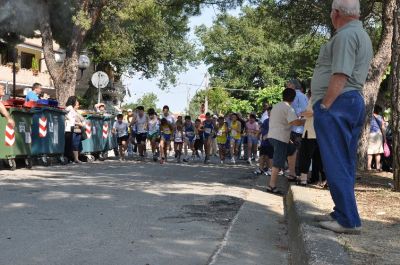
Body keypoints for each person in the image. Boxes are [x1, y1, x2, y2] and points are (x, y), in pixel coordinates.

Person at [311, 0, 373, 234]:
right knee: (344, 162)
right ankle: (344, 212)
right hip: (350, 101)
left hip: (338, 103)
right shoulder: (361, 34)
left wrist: (325, 106)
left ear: (336, 13)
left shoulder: (346, 36)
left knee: (335, 161)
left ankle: (347, 219)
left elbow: (340, 73)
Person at [266, 88, 305, 194]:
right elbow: (295, 123)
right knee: (278, 162)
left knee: (292, 150)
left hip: (273, 136)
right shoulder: (289, 108)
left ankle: (292, 174)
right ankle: (271, 186)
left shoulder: (276, 106)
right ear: (293, 98)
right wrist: (306, 120)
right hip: (280, 138)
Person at [287, 79, 308, 176]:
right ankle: (294, 172)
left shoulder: (297, 96)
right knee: (295, 151)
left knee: (295, 151)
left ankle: (296, 172)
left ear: (293, 86)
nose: (286, 87)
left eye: (288, 85)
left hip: (297, 128)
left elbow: (302, 112)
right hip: (297, 127)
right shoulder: (302, 96)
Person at [65, 96, 84, 163]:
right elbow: (65, 113)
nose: (77, 102)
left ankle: (75, 158)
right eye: (76, 100)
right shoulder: (69, 107)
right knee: (71, 143)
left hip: (72, 127)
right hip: (70, 127)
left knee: (74, 144)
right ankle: (70, 158)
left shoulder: (73, 109)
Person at [254, 109, 274, 175]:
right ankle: (260, 169)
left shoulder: (275, 121)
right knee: (262, 156)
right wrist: (257, 134)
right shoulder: (266, 121)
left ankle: (270, 170)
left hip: (271, 142)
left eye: (270, 112)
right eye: (268, 112)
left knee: (270, 157)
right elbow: (261, 129)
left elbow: (276, 131)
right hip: (264, 142)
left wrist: (268, 135)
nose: (268, 114)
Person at [367, 105, 385, 171]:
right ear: (379, 111)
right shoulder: (380, 117)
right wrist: (385, 138)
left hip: (370, 134)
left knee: (370, 152)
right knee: (378, 152)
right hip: (378, 134)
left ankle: (369, 167)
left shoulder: (369, 116)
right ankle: (378, 167)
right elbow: (383, 128)